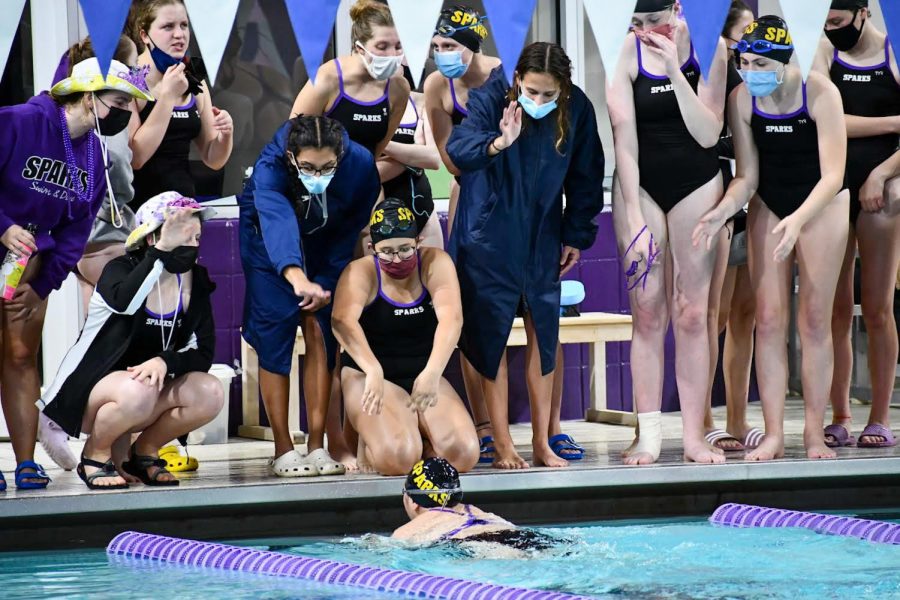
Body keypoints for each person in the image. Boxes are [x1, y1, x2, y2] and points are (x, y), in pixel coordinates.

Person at [693, 16, 849, 461]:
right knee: (769, 318)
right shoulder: (743, 99)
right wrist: (721, 210)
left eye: (759, 62)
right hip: (769, 201)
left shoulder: (820, 92)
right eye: (744, 62)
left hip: (823, 203)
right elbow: (748, 176)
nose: (749, 70)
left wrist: (799, 220)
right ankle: (776, 433)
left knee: (814, 321)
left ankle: (815, 434)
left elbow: (834, 173)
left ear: (782, 61)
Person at [447, 42, 604, 469]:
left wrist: (576, 233)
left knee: (544, 337)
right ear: (517, 80)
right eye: (531, 92)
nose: (538, 101)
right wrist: (498, 142)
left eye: (548, 95)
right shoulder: (488, 97)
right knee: (491, 339)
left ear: (563, 89)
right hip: (487, 236)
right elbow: (457, 152)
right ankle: (501, 444)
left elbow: (587, 176)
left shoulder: (577, 109)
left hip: (542, 235)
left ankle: (540, 442)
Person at [0, 57, 151, 491]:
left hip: (30, 265)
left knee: (21, 356)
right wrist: (4, 226)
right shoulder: (18, 122)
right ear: (88, 95)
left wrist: (43, 285)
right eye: (119, 101)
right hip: (6, 239)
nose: (125, 112)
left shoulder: (94, 156)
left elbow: (75, 231)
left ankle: (25, 461)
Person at [609, 0, 728, 465]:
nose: (643, 31)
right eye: (635, 23)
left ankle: (695, 437)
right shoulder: (624, 53)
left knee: (693, 313)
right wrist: (634, 214)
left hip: (697, 183)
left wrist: (676, 71)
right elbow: (624, 137)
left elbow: (707, 133)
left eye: (652, 21)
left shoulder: (708, 48)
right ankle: (650, 436)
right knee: (648, 310)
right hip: (641, 185)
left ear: (677, 10)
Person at [39, 192, 222, 490]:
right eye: (182, 235)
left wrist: (165, 360)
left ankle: (146, 451)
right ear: (152, 238)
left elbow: (204, 352)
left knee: (209, 391)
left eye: (196, 236)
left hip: (142, 395)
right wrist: (162, 251)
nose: (192, 244)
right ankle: (95, 455)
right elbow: (127, 302)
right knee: (141, 388)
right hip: (91, 396)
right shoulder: (119, 271)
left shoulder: (195, 280)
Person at [239, 115, 381, 477]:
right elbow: (276, 218)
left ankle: (317, 444)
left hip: (328, 240)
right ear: (291, 156)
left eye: (326, 167)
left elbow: (351, 225)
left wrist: (328, 277)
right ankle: (283, 448)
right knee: (276, 331)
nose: (317, 175)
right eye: (307, 167)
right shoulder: (270, 166)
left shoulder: (360, 164)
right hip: (266, 241)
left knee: (322, 329)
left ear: (340, 155)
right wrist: (295, 274)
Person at [38, 35, 145, 472]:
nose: (141, 74)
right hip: (98, 241)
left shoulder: (117, 116)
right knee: (105, 344)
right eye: (135, 66)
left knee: (117, 348)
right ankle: (56, 413)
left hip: (121, 235)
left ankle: (114, 447)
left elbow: (128, 166)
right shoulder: (73, 123)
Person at [332, 199, 479, 476]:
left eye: (404, 249)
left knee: (463, 454)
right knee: (397, 459)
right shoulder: (361, 272)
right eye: (387, 252)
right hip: (369, 377)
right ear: (371, 248)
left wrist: (433, 372)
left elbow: (452, 319)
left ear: (418, 241)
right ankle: (385, 437)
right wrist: (372, 369)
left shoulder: (435, 262)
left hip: (422, 374)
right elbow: (342, 321)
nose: (397, 259)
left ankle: (417, 437)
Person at [814, 0, 900, 449]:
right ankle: (841, 413)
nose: (832, 29)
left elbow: (843, 123)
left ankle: (880, 417)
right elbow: (825, 120)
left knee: (879, 308)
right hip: (835, 184)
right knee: (836, 309)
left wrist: (883, 172)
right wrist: (891, 121)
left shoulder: (893, 52)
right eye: (826, 22)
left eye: (839, 21)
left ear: (863, 13)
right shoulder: (826, 53)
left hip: (884, 186)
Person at [703, 0, 761, 452]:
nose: (749, 46)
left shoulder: (758, 82)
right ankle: (703, 417)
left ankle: (739, 418)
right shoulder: (711, 80)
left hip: (754, 202)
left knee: (746, 315)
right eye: (742, 37)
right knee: (712, 318)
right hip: (719, 201)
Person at [127, 0, 234, 208]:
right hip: (139, 211)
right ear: (144, 35)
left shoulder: (193, 79)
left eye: (184, 25)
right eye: (168, 26)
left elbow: (213, 159)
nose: (179, 34)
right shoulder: (130, 79)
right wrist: (167, 97)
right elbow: (136, 158)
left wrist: (226, 134)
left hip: (183, 208)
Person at [289, 0, 410, 159]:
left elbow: (376, 152)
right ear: (360, 48)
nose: (392, 55)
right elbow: (291, 143)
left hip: (363, 179)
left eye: (398, 46)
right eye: (382, 47)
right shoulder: (327, 80)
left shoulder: (399, 88)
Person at [392, 457, 555, 556]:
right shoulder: (474, 511)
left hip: (480, 546)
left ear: (412, 500)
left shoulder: (407, 532)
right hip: (530, 538)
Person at [378, 91, 444, 248]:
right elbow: (370, 173)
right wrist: (415, 153)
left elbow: (434, 159)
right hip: (375, 213)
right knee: (380, 271)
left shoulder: (420, 101)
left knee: (433, 271)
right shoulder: (354, 105)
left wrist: (380, 143)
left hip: (421, 210)